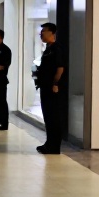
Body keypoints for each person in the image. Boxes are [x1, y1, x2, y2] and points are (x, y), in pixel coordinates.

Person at [37, 22, 67, 154]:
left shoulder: (56, 48)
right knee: (48, 116)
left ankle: (54, 146)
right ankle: (49, 143)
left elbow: (60, 68)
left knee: (54, 117)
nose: (41, 34)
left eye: (44, 31)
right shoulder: (48, 49)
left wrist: (55, 84)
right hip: (45, 86)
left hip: (52, 88)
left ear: (52, 33)